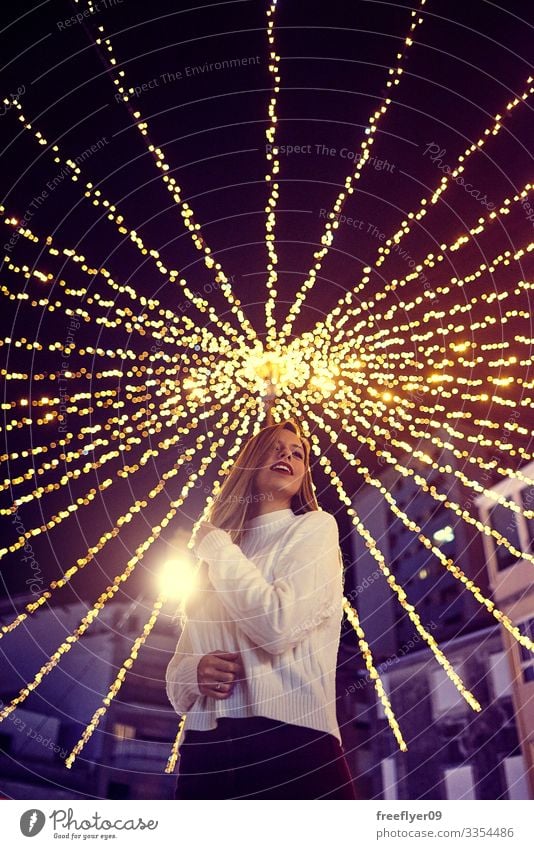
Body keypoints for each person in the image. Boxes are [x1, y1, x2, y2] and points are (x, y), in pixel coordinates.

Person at [165, 418, 356, 799]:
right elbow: (177, 677)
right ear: (248, 464)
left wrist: (218, 550)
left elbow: (278, 626)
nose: (288, 454)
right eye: (275, 447)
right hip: (207, 749)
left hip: (291, 741)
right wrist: (194, 672)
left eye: (298, 453)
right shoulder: (215, 558)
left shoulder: (313, 529)